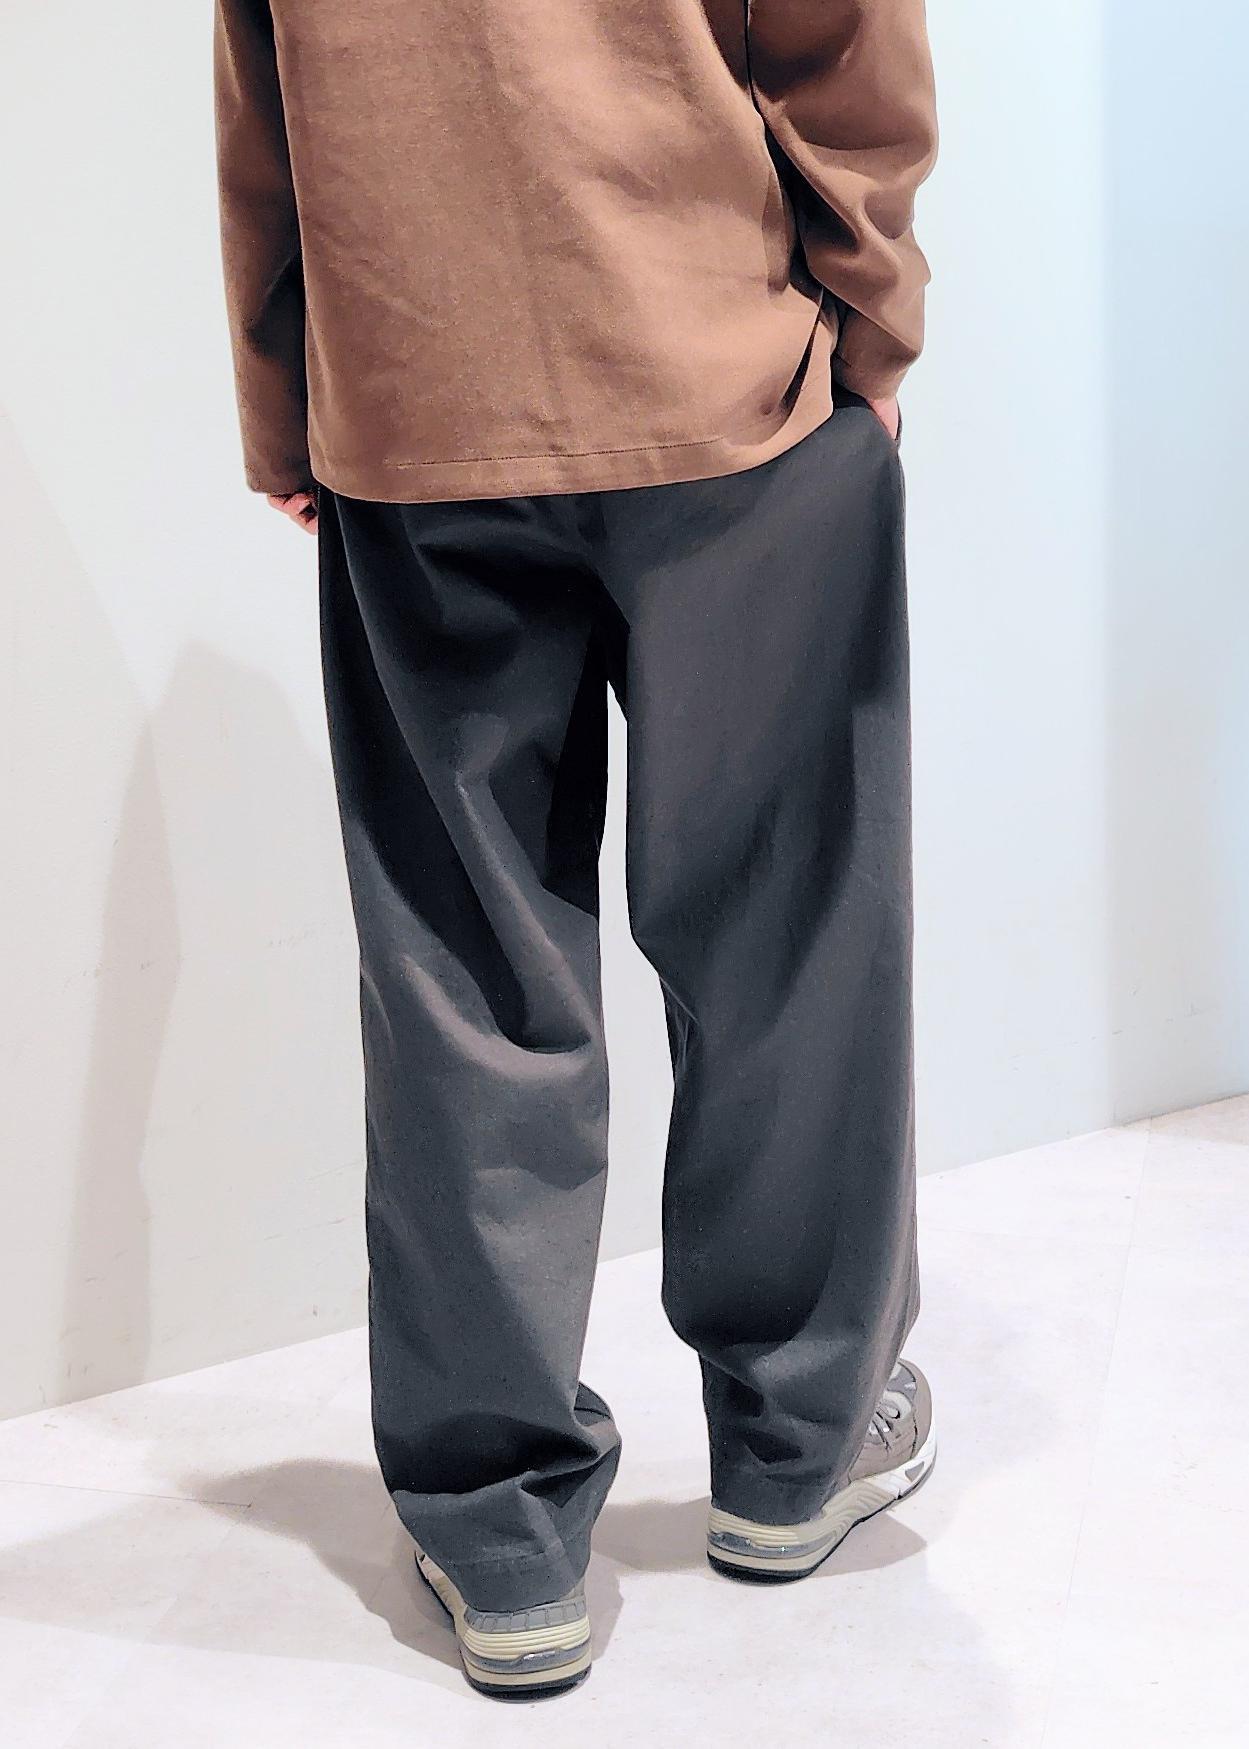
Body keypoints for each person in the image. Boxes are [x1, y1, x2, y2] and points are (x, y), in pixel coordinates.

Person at [215, 0, 938, 1699]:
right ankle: (797, 1444)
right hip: (727, 378)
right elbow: (845, 37)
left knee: (464, 971)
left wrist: (286, 385)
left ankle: (499, 1526)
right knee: (787, 933)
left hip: (417, 394)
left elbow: (260, 80)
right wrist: (875, 313)